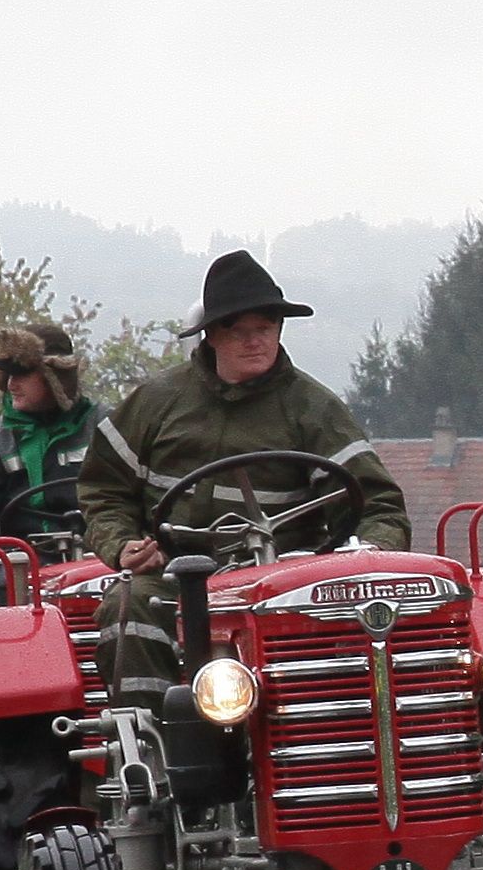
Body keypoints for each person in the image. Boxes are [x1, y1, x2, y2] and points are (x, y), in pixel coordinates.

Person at [78, 253, 412, 697]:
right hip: (173, 577)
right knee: (128, 604)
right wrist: (123, 546)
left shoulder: (315, 410)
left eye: (265, 328)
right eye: (239, 330)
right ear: (211, 335)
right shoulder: (154, 404)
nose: (255, 342)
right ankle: (154, 736)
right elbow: (104, 489)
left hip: (284, 585)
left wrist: (368, 554)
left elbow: (379, 508)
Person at [0, 323, 95, 543]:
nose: (11, 385)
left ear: (55, 377)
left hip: (102, 560)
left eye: (21, 374)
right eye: (7, 374)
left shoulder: (105, 428)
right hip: (23, 562)